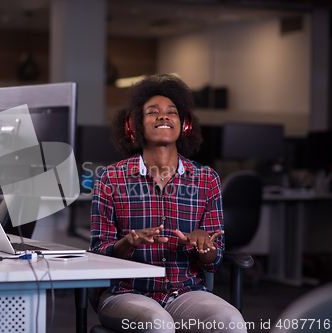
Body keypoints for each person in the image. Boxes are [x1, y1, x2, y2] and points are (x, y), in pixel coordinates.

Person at [90, 74, 247, 333]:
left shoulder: (206, 179)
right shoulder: (112, 178)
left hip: (185, 292)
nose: (163, 117)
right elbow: (97, 256)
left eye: (171, 112)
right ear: (134, 126)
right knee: (157, 324)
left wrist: (203, 244)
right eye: (153, 112)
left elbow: (214, 260)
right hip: (126, 293)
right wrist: (129, 241)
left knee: (231, 322)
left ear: (184, 125)